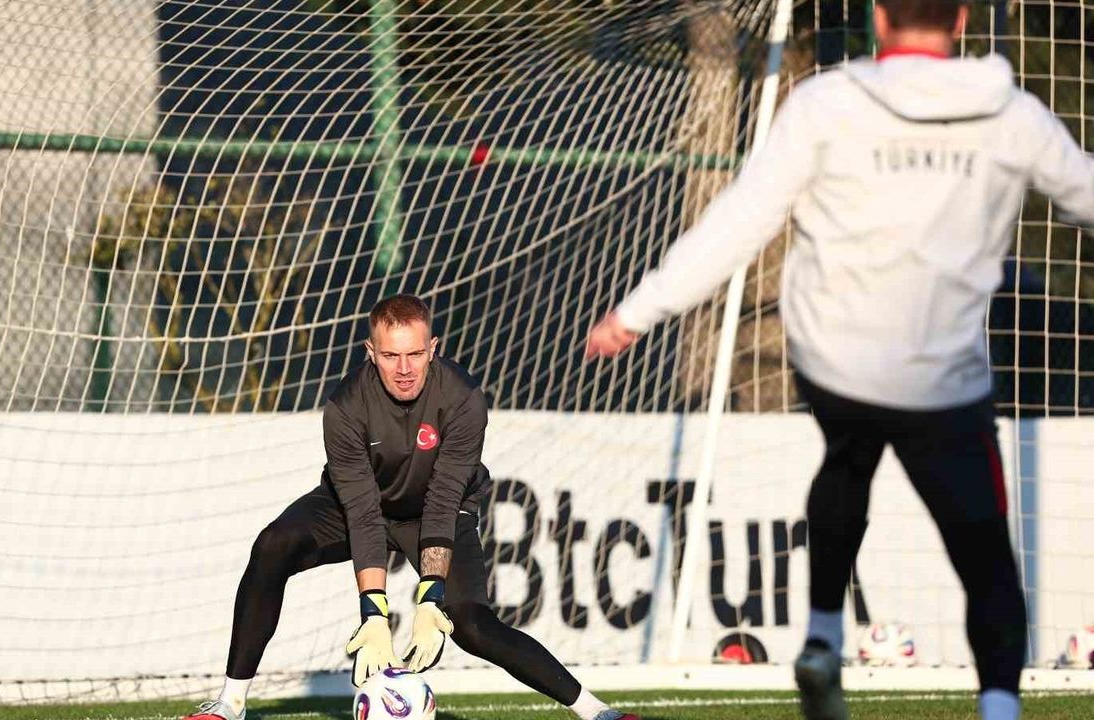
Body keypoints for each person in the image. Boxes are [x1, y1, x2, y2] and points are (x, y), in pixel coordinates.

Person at [585, 1, 1094, 719]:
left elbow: (741, 219)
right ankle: (1001, 706)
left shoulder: (826, 102)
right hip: (941, 380)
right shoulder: (1010, 114)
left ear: (881, 18)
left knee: (846, 461)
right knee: (984, 553)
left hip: (838, 362)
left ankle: (823, 634)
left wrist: (640, 310)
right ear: (962, 21)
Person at [186, 294, 638, 720]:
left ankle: (598, 711)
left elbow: (443, 499)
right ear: (370, 352)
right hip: (359, 504)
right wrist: (374, 613)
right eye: (390, 356)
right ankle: (230, 704)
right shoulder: (345, 407)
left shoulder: (463, 399)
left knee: (472, 626)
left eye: (415, 354)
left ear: (433, 348)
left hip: (436, 510)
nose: (404, 369)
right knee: (273, 546)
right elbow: (362, 512)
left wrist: (431, 597)